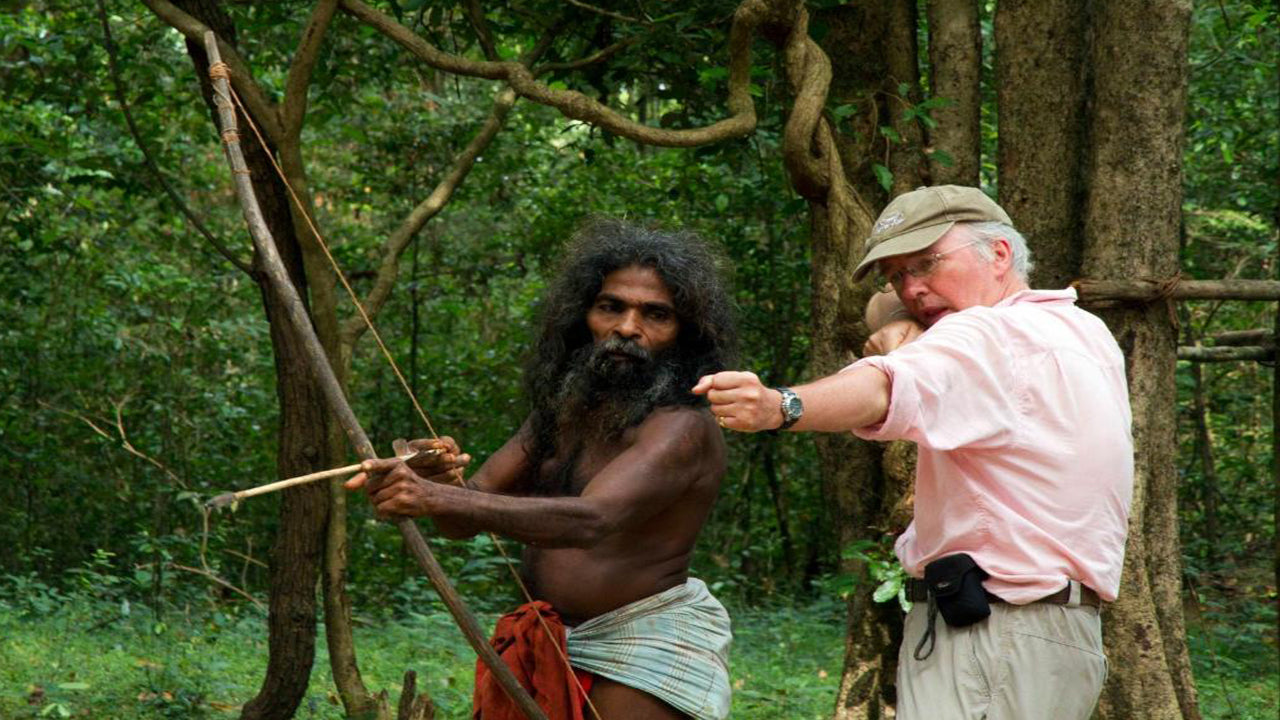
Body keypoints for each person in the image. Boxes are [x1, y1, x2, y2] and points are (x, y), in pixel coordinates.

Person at [693, 185, 1133, 720]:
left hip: (992, 637)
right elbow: (886, 310)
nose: (913, 288)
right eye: (898, 275)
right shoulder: (1080, 328)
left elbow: (882, 387)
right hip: (1055, 636)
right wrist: (903, 321)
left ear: (999, 253)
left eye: (927, 264)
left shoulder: (982, 334)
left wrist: (779, 406)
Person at [348, 218, 738, 720]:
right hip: (553, 640)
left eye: (655, 314)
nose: (626, 328)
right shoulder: (564, 409)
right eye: (610, 307)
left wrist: (438, 497)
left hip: (643, 644)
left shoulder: (683, 427)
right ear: (583, 315)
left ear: (686, 333)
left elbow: (593, 519)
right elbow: (464, 517)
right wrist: (432, 481)